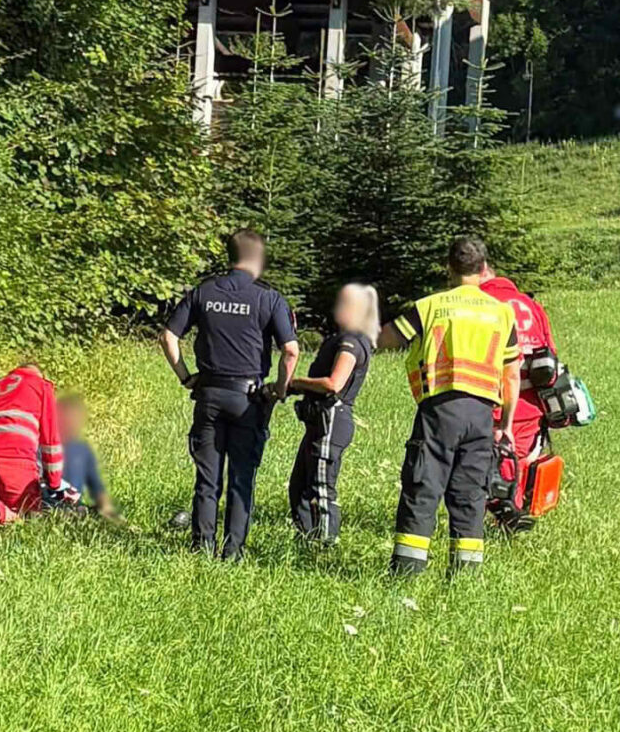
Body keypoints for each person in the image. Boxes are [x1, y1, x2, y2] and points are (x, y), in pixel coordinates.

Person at [378, 237, 522, 574]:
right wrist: (506, 426)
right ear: (484, 269)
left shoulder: (429, 306)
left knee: (423, 487)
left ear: (449, 268)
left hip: (439, 412)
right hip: (482, 416)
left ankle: (406, 574)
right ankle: (466, 578)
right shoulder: (503, 313)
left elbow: (386, 339)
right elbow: (511, 375)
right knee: (471, 495)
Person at [159, 229, 300, 560]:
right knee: (241, 478)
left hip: (208, 394)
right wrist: (279, 390)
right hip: (248, 400)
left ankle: (201, 547)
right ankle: (233, 552)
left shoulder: (204, 292)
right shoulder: (269, 298)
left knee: (207, 478)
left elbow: (168, 337)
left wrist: (186, 378)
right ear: (257, 258)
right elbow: (290, 351)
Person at [286, 284, 379, 545]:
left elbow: (334, 383)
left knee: (321, 488)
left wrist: (296, 383)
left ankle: (325, 545)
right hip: (320, 421)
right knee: (299, 486)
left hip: (332, 420)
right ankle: (305, 540)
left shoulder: (351, 343)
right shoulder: (343, 338)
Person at [0, 363, 78, 524]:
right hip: (15, 465)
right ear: (38, 374)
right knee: (31, 518)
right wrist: (54, 483)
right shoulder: (41, 386)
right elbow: (50, 441)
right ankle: (2, 515)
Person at [478, 260, 557, 464]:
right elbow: (551, 360)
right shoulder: (532, 305)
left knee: (488, 482)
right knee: (520, 475)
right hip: (530, 410)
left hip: (488, 411)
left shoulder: (479, 305)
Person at [57, 394, 116, 519]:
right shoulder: (44, 446)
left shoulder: (82, 450)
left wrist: (108, 511)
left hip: (74, 506)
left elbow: (97, 488)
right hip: (49, 504)